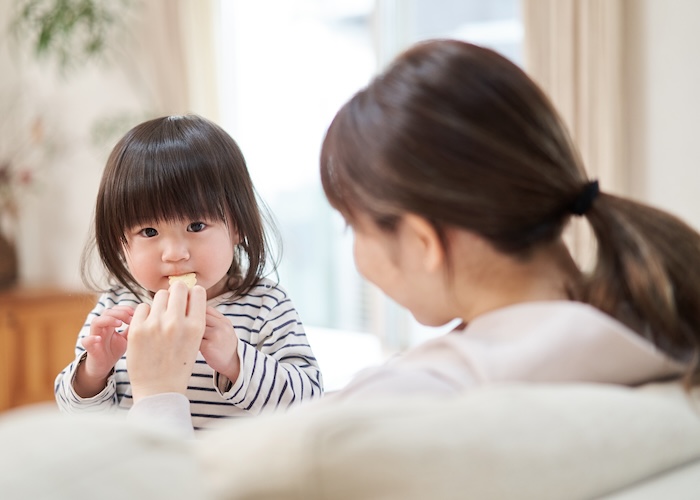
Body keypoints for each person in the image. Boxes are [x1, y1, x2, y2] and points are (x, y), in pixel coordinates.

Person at [128, 38, 698, 427]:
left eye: (353, 225)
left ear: (423, 242)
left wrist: (158, 396)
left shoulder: (406, 406)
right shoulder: (661, 338)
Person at [54, 114, 323, 431]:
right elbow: (75, 421)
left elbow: (309, 405)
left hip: (235, 474)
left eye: (196, 226)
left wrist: (236, 360)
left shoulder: (265, 305)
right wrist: (94, 372)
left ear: (237, 228)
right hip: (146, 471)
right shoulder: (116, 308)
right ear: (121, 241)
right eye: (149, 231)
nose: (174, 253)